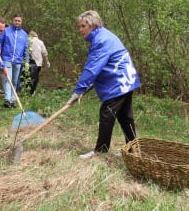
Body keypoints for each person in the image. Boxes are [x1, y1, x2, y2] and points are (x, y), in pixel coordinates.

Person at [67, 10, 140, 159]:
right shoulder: (103, 35)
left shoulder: (101, 40)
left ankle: (101, 151)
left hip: (119, 82)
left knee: (107, 114)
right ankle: (132, 150)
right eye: (79, 26)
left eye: (82, 26)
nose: (80, 30)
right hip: (126, 79)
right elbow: (100, 65)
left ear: (92, 25)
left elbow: (92, 68)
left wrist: (78, 90)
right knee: (125, 117)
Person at [0, 13, 28, 108]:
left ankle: (12, 99)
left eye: (19, 21)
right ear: (12, 20)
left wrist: (26, 60)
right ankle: (7, 99)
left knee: (14, 81)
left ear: (21, 22)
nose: (17, 22)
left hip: (18, 60)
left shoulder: (24, 34)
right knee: (8, 79)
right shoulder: (6, 31)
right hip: (7, 58)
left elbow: (26, 48)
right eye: (16, 20)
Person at [27, 30, 50, 95]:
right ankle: (32, 91)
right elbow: (44, 53)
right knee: (35, 78)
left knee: (28, 77)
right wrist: (47, 61)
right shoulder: (40, 42)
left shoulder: (27, 41)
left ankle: (28, 90)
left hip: (28, 62)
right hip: (38, 63)